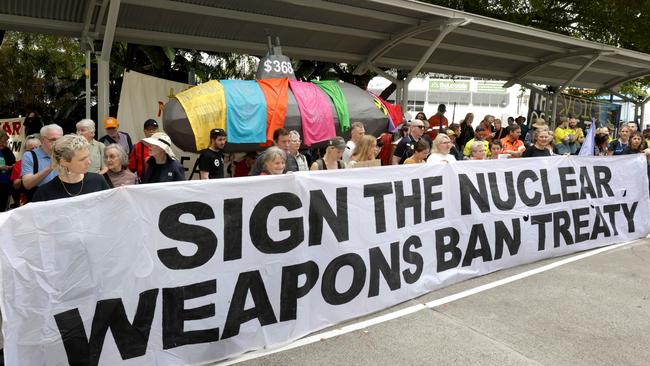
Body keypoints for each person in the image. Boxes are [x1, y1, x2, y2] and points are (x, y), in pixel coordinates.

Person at [31, 134, 110, 202]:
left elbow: (110, 209)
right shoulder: (44, 193)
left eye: (88, 156)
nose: (89, 162)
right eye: (82, 159)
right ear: (63, 162)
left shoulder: (97, 180)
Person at [21, 124, 63, 190]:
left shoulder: (65, 153)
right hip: (42, 198)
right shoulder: (30, 155)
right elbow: (27, 184)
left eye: (60, 139)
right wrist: (50, 167)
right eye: (53, 139)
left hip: (63, 197)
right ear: (42, 139)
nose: (57, 142)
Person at [10, 135, 41, 207]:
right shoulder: (20, 164)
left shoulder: (48, 160)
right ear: (26, 151)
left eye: (38, 147)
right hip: (27, 200)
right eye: (31, 149)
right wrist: (27, 177)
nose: (35, 150)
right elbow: (16, 185)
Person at [0, 130, 16, 211]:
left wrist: (12, 166)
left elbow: (13, 162)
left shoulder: (7, 151)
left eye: (6, 141)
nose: (4, 144)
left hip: (5, 184)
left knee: (3, 207)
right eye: (2, 141)